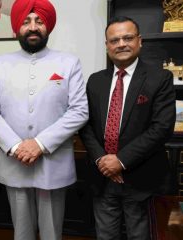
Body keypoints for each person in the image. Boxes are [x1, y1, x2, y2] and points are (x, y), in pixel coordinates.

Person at [0, 0, 89, 239]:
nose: (33, 27)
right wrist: (17, 146)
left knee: (52, 232)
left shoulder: (68, 63)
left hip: (52, 162)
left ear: (48, 27)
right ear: (16, 27)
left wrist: (39, 144)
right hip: (15, 161)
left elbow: (79, 110)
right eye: (26, 21)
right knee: (21, 232)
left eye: (39, 21)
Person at [79, 16, 176, 240]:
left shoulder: (159, 78)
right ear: (107, 46)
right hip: (102, 178)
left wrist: (120, 161)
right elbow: (85, 126)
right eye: (114, 40)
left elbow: (161, 128)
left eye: (128, 38)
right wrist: (103, 161)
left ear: (139, 41)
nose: (121, 44)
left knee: (140, 235)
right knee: (105, 236)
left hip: (141, 178)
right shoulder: (95, 81)